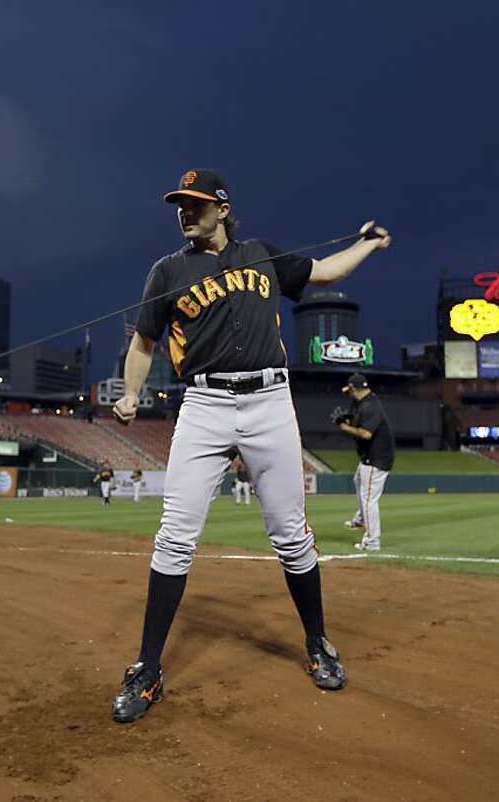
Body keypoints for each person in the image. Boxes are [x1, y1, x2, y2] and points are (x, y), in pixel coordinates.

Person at [108, 167, 390, 723]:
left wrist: (367, 245)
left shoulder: (260, 254)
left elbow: (326, 272)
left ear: (221, 207)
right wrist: (132, 393)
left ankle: (317, 644)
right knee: (173, 537)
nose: (184, 212)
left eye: (194, 203)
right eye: (178, 205)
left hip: (269, 404)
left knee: (290, 535)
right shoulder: (166, 270)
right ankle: (147, 668)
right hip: (205, 406)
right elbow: (144, 340)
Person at [337, 373, 395, 551]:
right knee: (358, 481)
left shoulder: (371, 406)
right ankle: (361, 519)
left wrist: (344, 426)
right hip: (370, 456)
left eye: (350, 391)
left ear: (355, 389)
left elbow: (366, 434)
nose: (348, 394)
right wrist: (348, 418)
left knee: (369, 499)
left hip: (377, 458)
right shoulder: (362, 401)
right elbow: (354, 410)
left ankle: (372, 541)